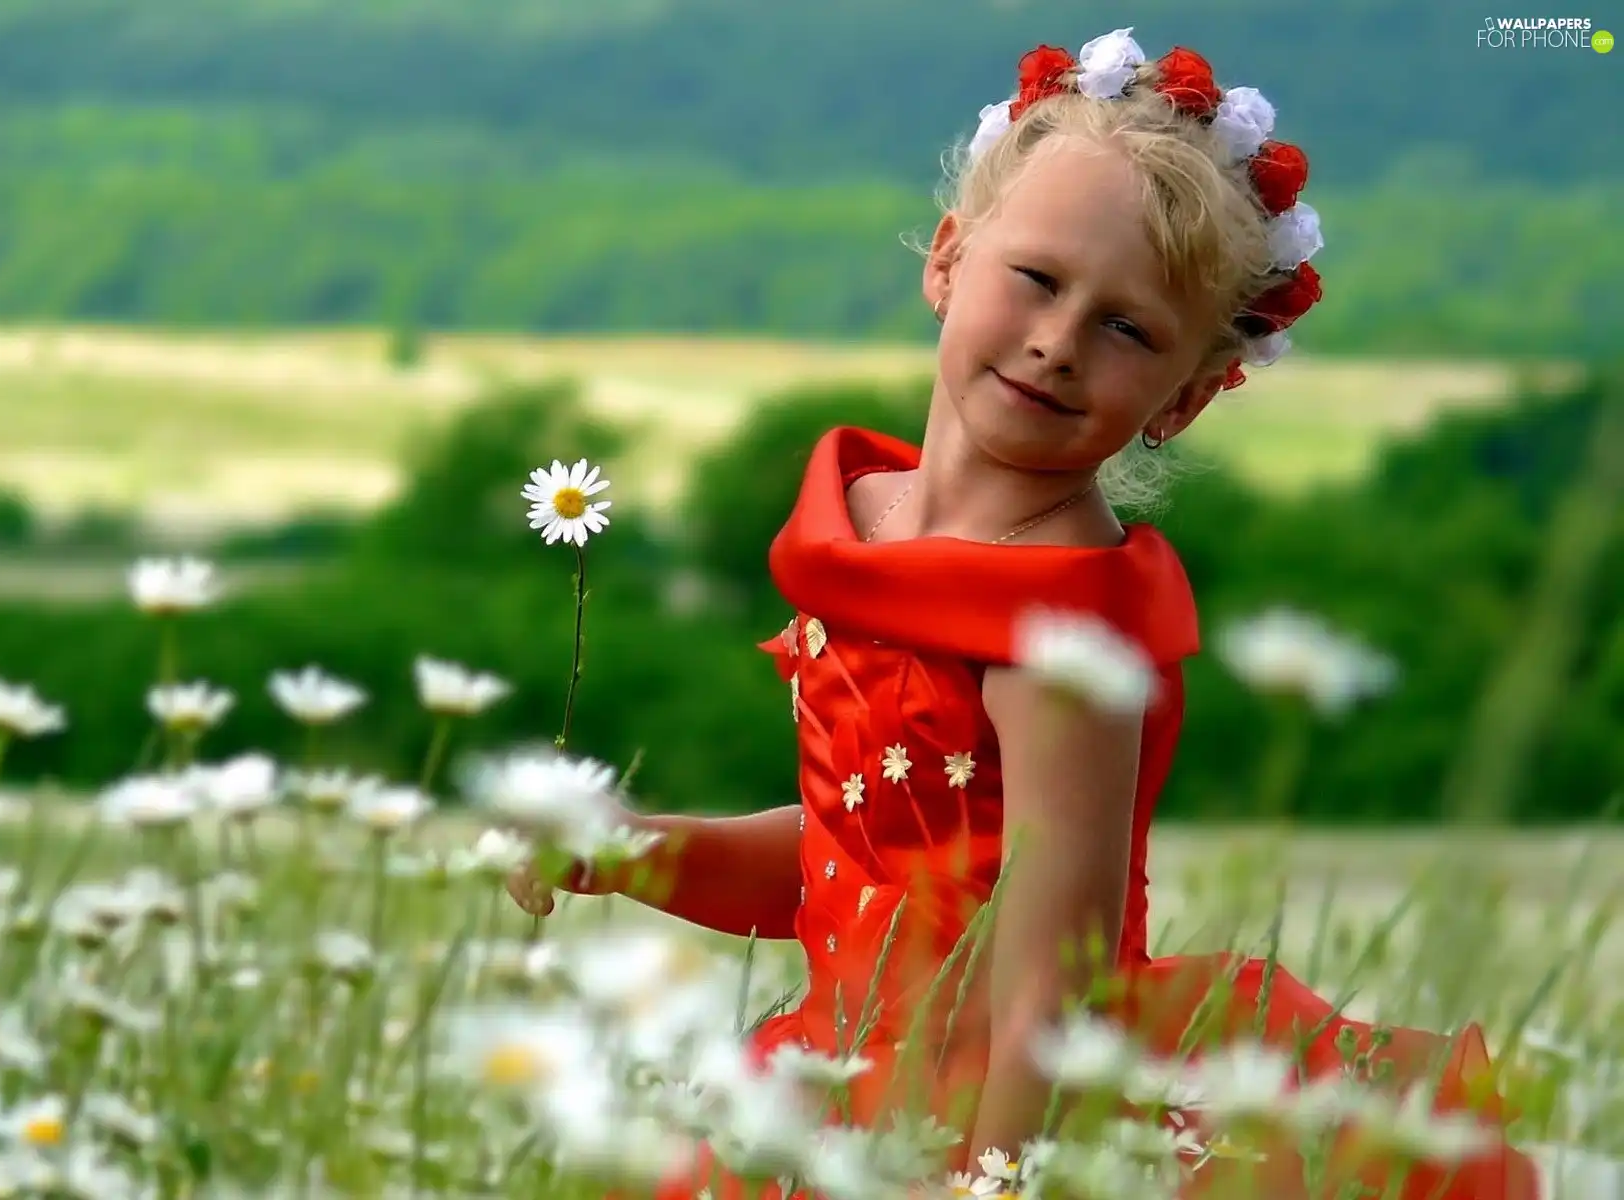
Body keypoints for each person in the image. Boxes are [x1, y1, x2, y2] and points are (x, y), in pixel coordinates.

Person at [506, 27, 1540, 1200]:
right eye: (1039, 281)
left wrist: (989, 1183)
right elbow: (851, 869)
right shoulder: (868, 532)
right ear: (948, 260)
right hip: (842, 1086)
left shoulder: (1063, 640)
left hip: (988, 1125)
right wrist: (631, 854)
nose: (1058, 343)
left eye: (1129, 329)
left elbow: (1056, 995)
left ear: (1186, 398)